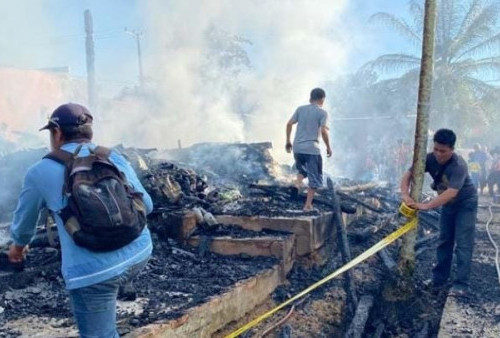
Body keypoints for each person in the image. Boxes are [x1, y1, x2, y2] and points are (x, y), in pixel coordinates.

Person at [8, 103, 153, 338]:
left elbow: (24, 226)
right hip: (140, 252)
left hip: (92, 274)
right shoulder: (112, 156)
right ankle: (120, 285)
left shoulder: (39, 171)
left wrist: (18, 248)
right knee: (116, 278)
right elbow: (147, 206)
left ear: (57, 133)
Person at [400, 129, 477, 296]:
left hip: (465, 204)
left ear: (452, 149)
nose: (438, 154)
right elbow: (407, 175)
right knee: (444, 240)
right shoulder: (428, 159)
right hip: (447, 204)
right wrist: (405, 195)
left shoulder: (459, 165)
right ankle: (439, 279)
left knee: (463, 243)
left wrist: (427, 206)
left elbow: (452, 192)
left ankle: (461, 284)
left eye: (443, 151)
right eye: (435, 149)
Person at [286, 88, 332, 211]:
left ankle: (297, 184)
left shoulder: (300, 109)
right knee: (315, 179)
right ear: (322, 99)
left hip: (297, 148)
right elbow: (323, 130)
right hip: (312, 149)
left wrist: (288, 141)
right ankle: (307, 205)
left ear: (310, 98)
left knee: (303, 171)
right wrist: (328, 147)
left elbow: (289, 124)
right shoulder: (322, 113)